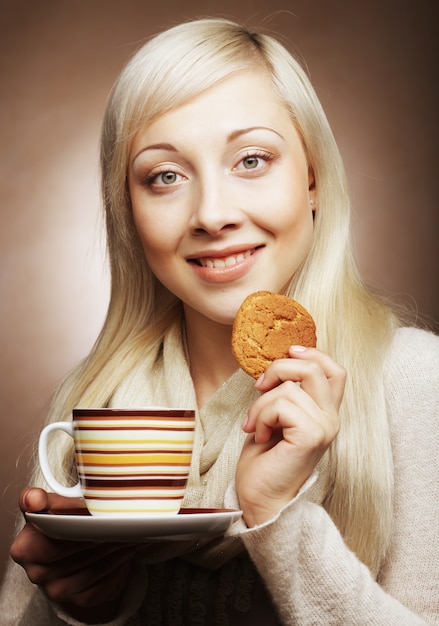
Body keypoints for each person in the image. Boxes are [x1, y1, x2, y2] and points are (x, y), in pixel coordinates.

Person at [1, 17, 438, 626]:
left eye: (252, 160)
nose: (211, 213)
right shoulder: (93, 401)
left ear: (312, 177)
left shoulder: (418, 382)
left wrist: (277, 517)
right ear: (128, 210)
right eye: (166, 176)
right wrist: (80, 608)